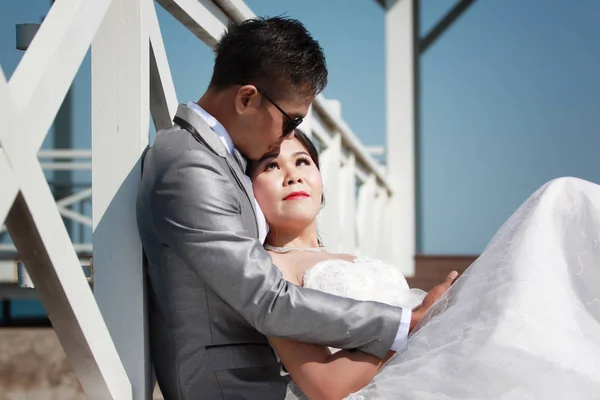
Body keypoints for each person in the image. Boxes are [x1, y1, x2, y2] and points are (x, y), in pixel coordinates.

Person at [136, 17, 454, 400]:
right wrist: (409, 323)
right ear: (247, 98)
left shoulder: (216, 157)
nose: (286, 139)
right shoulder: (191, 164)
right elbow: (266, 298)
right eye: (292, 120)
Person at [248, 130, 600, 399]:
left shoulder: (352, 257)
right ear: (250, 189)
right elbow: (325, 386)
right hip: (399, 381)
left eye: (302, 161)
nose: (292, 175)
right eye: (271, 165)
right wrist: (409, 327)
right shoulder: (269, 269)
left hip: (436, 356)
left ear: (321, 180)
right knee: (558, 199)